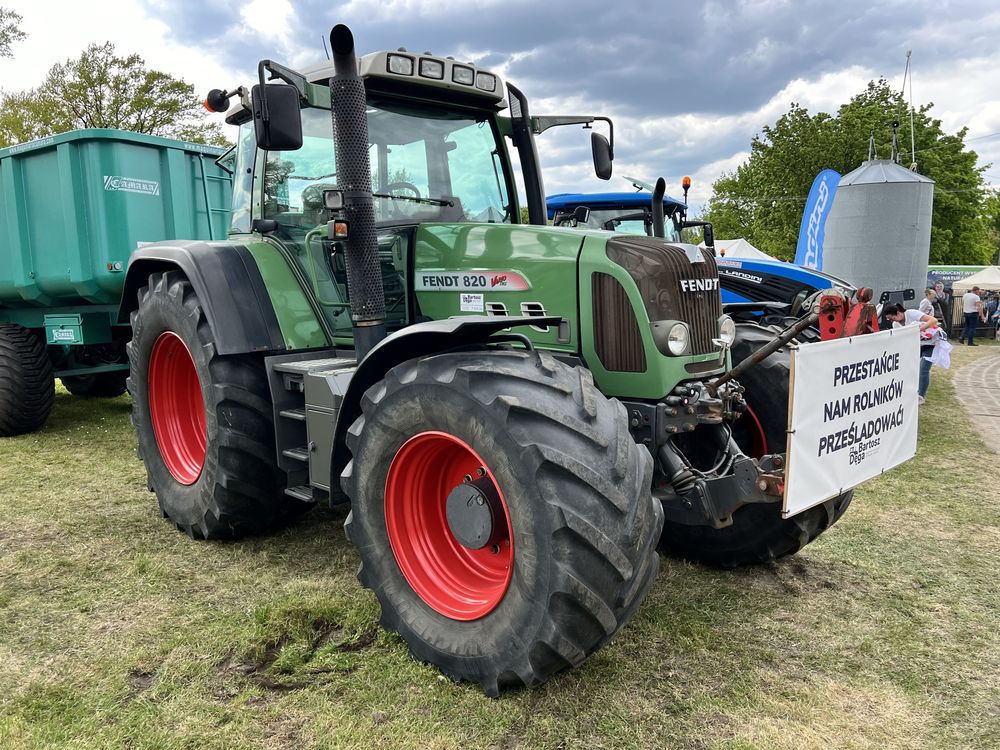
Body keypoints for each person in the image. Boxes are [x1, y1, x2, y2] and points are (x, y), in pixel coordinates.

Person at [885, 303, 938, 405]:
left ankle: (921, 396)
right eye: (889, 319)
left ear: (898, 313)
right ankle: (908, 392)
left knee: (923, 369)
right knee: (908, 367)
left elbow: (933, 320)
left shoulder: (912, 313)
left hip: (930, 343)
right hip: (915, 345)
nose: (892, 321)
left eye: (892, 318)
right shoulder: (896, 325)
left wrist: (918, 329)